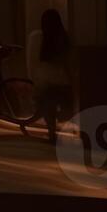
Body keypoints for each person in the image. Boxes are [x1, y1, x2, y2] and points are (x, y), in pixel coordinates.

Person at [26, 9, 72, 141]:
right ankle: (60, 120)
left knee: (46, 99)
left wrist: (33, 82)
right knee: (53, 99)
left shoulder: (35, 37)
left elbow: (31, 64)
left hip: (45, 86)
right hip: (63, 85)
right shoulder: (63, 38)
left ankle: (51, 131)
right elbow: (69, 65)